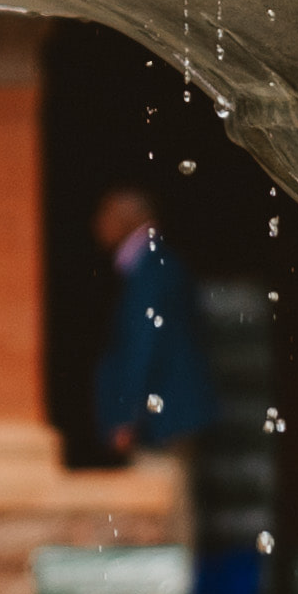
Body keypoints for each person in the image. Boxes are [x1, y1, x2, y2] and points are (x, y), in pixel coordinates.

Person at [87, 187, 217, 463]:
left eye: (105, 214)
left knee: (166, 499)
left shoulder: (150, 270)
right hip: (167, 415)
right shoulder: (154, 264)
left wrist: (126, 416)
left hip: (161, 421)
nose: (98, 223)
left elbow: (144, 345)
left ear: (126, 219)